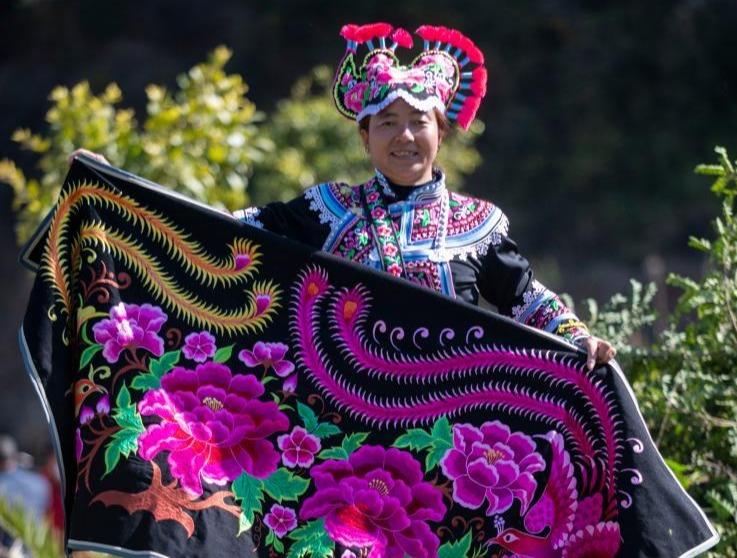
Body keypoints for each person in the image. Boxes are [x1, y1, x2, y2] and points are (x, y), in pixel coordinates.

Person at [70, 22, 615, 368]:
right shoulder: (326, 210)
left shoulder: (479, 224)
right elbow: (222, 231)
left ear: (442, 132)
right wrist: (119, 193)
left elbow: (526, 299)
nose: (404, 136)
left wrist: (578, 338)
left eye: (418, 122)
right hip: (343, 444)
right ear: (364, 135)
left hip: (457, 435)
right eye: (387, 123)